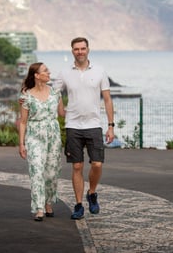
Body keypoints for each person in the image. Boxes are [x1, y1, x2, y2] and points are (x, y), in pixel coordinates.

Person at [55, 37, 115, 220]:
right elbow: (54, 92)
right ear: (72, 51)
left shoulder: (99, 71)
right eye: (76, 49)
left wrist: (111, 126)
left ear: (88, 49)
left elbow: (107, 99)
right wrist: (60, 109)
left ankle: (92, 192)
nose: (80, 51)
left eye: (82, 48)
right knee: (77, 166)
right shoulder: (65, 72)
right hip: (73, 125)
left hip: (94, 125)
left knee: (97, 164)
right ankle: (79, 204)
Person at [18, 62, 65, 221]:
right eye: (45, 71)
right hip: (34, 136)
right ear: (37, 75)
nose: (49, 72)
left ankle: (48, 202)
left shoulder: (56, 93)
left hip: (53, 136)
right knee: (37, 171)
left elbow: (62, 114)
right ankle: (39, 207)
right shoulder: (26, 96)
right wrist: (21, 143)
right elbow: (23, 122)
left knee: (51, 173)